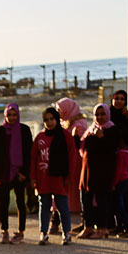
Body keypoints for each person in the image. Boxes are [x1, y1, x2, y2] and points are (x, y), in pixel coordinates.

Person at [0, 103, 33, 244]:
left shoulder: (24, 130)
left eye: (14, 115)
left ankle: (20, 232)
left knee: (21, 203)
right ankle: (5, 231)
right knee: (4, 203)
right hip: (3, 174)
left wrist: (25, 173)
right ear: (5, 115)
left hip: (19, 174)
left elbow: (28, 153)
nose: (12, 118)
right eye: (9, 115)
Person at [31, 106, 76, 245]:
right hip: (43, 179)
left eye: (52, 119)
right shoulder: (40, 137)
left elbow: (72, 157)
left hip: (59, 178)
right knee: (44, 206)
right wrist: (33, 178)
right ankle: (43, 233)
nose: (49, 122)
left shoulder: (66, 136)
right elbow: (33, 159)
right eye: (46, 120)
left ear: (57, 119)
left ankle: (66, 233)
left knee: (62, 206)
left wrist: (69, 177)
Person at [78, 104, 119, 240]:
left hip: (103, 171)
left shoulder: (111, 129)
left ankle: (102, 228)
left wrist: (101, 137)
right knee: (86, 198)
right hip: (88, 169)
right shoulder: (91, 129)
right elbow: (84, 145)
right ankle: (88, 227)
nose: (100, 117)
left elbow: (111, 148)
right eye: (97, 114)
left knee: (102, 200)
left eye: (102, 114)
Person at [56, 97, 91, 226]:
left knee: (76, 191)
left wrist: (74, 136)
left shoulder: (79, 124)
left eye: (60, 109)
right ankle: (56, 221)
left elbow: (79, 144)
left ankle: (84, 221)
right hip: (65, 161)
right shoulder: (64, 122)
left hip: (75, 162)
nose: (59, 112)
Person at [110, 89, 128, 225]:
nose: (119, 102)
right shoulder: (106, 115)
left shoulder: (127, 117)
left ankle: (127, 219)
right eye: (117, 99)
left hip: (126, 158)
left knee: (126, 189)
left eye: (122, 99)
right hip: (111, 157)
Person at [112, 136, 128, 237]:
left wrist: (113, 184)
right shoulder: (127, 152)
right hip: (125, 180)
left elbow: (118, 171)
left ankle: (127, 227)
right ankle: (120, 227)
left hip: (119, 181)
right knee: (119, 204)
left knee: (119, 206)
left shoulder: (120, 154)